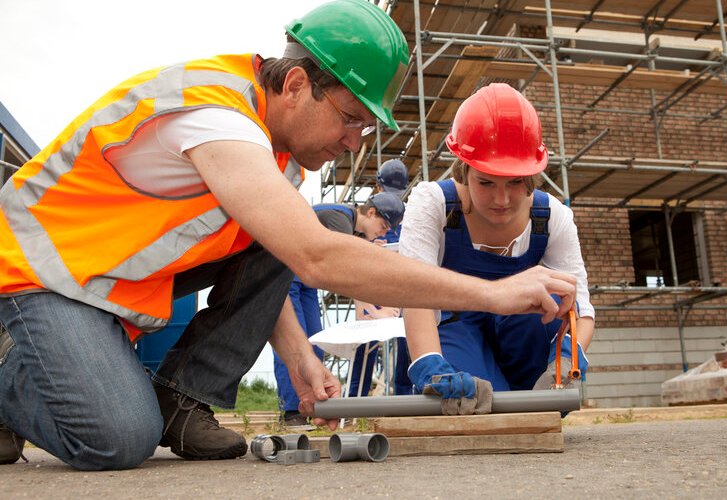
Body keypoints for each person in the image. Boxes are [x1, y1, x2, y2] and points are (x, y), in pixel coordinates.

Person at [0, 0, 577, 472]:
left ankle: (181, 396)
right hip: (28, 283)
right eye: (351, 118)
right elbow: (316, 257)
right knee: (119, 440)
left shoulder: (276, 157)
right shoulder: (215, 116)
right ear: (297, 83)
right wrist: (495, 294)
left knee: (303, 223)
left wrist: (300, 356)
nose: (356, 142)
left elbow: (278, 249)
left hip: (89, 290)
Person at [400, 83, 594, 413]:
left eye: (515, 182)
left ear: (531, 175)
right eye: (486, 182)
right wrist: (431, 365)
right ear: (464, 169)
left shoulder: (553, 218)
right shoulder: (433, 204)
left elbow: (581, 307)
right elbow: (415, 294)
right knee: (475, 403)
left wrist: (566, 359)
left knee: (544, 305)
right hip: (456, 327)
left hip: (523, 331)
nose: (501, 200)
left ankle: (534, 396)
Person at [275, 192, 404, 426]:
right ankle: (292, 412)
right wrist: (372, 312)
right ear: (371, 213)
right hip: (285, 273)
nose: (385, 232)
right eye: (383, 225)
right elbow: (347, 273)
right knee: (295, 342)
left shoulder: (351, 229)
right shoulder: (339, 219)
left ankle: (310, 406)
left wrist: (368, 248)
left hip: (304, 281)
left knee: (315, 343)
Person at [352, 157, 414, 396]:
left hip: (400, 290)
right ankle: (357, 395)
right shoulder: (367, 217)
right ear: (378, 187)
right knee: (366, 342)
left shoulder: (407, 217)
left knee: (407, 339)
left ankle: (404, 395)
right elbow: (353, 267)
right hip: (370, 289)